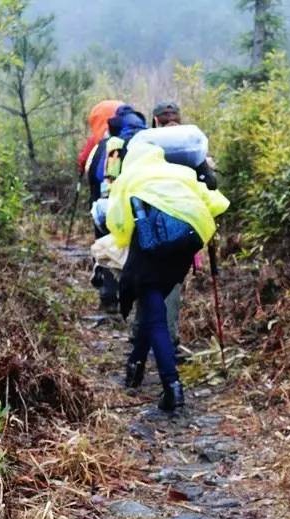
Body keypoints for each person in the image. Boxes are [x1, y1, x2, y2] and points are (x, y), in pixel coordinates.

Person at [106, 142, 229, 412]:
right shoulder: (180, 174)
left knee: (156, 319)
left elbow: (119, 225)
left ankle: (172, 387)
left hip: (150, 254)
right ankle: (135, 366)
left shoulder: (130, 180)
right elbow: (218, 203)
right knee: (154, 312)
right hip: (183, 249)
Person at [127, 101, 218, 385]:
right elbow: (211, 187)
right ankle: (141, 363)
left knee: (150, 300)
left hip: (149, 238)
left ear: (154, 121)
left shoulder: (147, 148)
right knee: (163, 297)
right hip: (184, 241)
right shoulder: (190, 150)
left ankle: (160, 372)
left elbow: (128, 186)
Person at [87, 104, 146, 313]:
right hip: (144, 208)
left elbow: (96, 175)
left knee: (110, 247)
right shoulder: (150, 142)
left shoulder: (109, 145)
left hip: (113, 205)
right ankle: (136, 302)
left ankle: (109, 297)